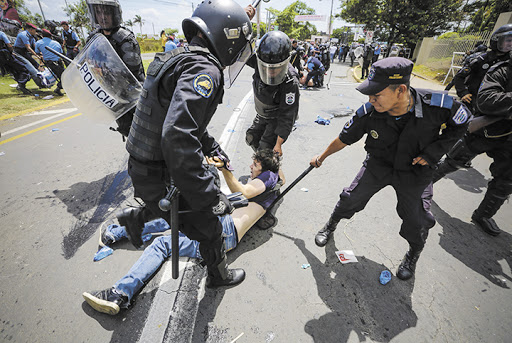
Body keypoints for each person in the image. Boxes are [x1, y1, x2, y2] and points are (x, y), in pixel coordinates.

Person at [113, 0, 256, 289]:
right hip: (161, 171)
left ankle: (135, 218)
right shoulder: (205, 69)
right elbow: (178, 135)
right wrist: (210, 195)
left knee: (169, 206)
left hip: (142, 168)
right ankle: (219, 277)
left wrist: (211, 146)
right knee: (210, 226)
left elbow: (177, 118)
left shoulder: (178, 56)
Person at [310, 57, 469, 280]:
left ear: (401, 90)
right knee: (351, 198)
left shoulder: (438, 105)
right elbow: (344, 138)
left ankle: (414, 252)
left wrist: (434, 151)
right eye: (369, 94)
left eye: (377, 94)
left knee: (416, 219)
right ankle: (331, 224)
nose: (371, 99)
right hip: (379, 165)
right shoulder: (370, 111)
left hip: (415, 172)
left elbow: (462, 124)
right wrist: (321, 157)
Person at [83, 149, 281, 315]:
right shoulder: (273, 181)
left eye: (254, 165)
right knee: (171, 217)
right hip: (222, 224)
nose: (250, 168)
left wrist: (225, 170)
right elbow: (271, 179)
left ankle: (120, 294)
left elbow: (245, 191)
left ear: (265, 169)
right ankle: (115, 233)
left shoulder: (269, 177)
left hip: (223, 232)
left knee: (162, 244)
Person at [433, 34, 512, 236]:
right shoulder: (497, 67)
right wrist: (463, 92)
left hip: (508, 138)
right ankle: (423, 184)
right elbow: (480, 93)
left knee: (506, 179)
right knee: (454, 160)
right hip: (484, 125)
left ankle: (484, 214)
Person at [85, 0, 145, 137]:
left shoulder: (125, 38)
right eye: (98, 12)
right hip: (111, 95)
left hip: (133, 95)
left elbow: (131, 72)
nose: (103, 17)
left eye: (106, 12)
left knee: (143, 132)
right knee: (126, 130)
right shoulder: (94, 37)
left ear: (114, 14)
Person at [245, 30, 300, 157]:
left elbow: (288, 115)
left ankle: (268, 169)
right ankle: (270, 166)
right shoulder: (259, 61)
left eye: (276, 69)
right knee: (251, 138)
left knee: (265, 151)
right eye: (266, 68)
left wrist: (278, 144)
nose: (270, 72)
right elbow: (240, 52)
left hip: (276, 118)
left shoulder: (290, 82)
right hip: (262, 114)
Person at [453, 24, 512, 111]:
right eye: (508, 40)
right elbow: (459, 76)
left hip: (495, 107)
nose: (510, 44)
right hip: (472, 103)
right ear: (496, 40)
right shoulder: (481, 59)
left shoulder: (509, 62)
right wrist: (463, 93)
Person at [35, 29, 65, 96]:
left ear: (42, 35)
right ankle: (58, 88)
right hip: (58, 62)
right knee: (64, 77)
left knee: (62, 77)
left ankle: (59, 87)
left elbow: (37, 52)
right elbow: (61, 53)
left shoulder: (38, 43)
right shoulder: (56, 43)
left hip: (49, 63)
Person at [0, 29, 30, 94]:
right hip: (6, 56)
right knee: (24, 69)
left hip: (1, 60)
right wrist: (11, 52)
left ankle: (21, 85)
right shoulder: (1, 33)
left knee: (14, 71)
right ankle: (21, 85)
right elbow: (9, 44)